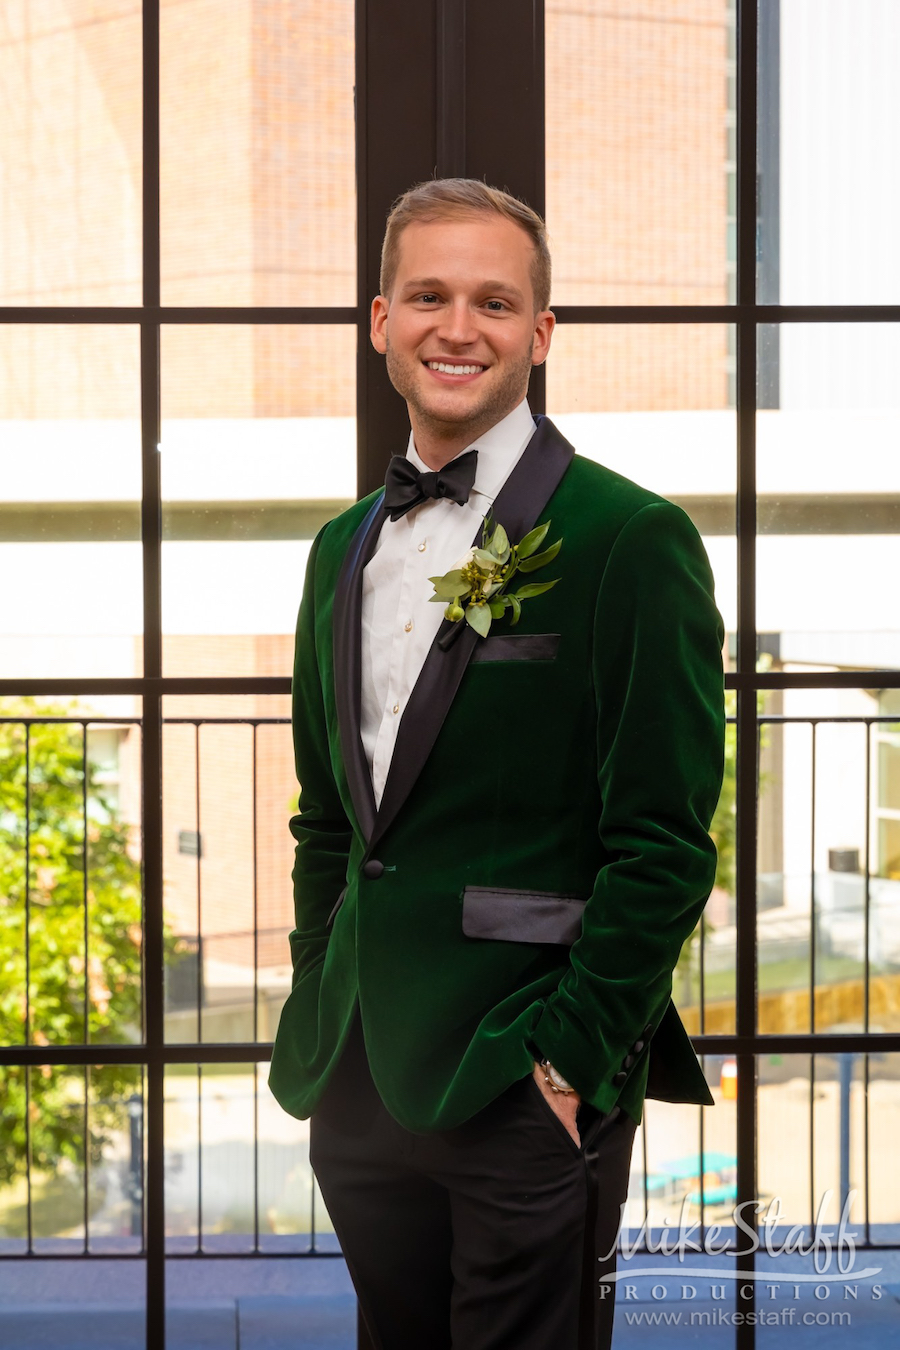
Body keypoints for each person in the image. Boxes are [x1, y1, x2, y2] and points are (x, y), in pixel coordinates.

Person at [269, 178, 725, 1350]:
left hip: (523, 1075)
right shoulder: (339, 551)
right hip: (362, 1073)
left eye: (493, 301)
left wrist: (571, 1059)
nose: (456, 328)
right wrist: (323, 979)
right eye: (428, 295)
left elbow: (665, 843)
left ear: (540, 333)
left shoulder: (630, 540)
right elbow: (332, 819)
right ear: (381, 321)